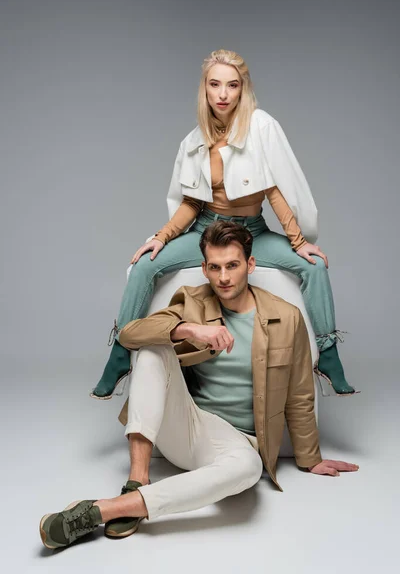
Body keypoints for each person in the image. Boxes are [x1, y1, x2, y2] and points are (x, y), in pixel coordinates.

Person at [40, 222, 359, 550]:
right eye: (215, 267)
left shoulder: (286, 317)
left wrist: (310, 458)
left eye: (233, 265)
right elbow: (129, 334)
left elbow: (300, 393)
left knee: (249, 470)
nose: (224, 277)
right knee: (153, 346)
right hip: (190, 426)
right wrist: (188, 329)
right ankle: (137, 479)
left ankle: (104, 510)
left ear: (250, 265)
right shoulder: (192, 300)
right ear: (205, 269)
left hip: (241, 445)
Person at [91, 48, 358, 400]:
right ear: (204, 88)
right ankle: (120, 354)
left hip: (252, 234)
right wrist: (162, 236)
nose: (222, 94)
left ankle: (327, 354)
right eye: (214, 85)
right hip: (206, 231)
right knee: (144, 265)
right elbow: (190, 202)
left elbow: (275, 191)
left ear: (242, 89)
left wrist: (297, 242)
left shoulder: (261, 127)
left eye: (232, 86)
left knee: (315, 268)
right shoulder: (193, 140)